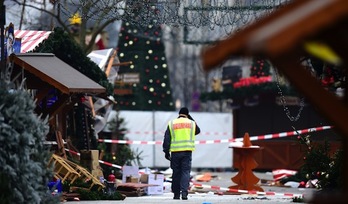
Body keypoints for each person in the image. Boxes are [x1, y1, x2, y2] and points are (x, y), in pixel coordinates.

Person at [162, 107, 201, 200]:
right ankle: (184, 193)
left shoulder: (172, 123)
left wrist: (166, 151)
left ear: (178, 114)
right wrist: (190, 117)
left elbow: (167, 138)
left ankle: (176, 194)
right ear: (187, 114)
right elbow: (198, 131)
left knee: (176, 172)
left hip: (175, 152)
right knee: (185, 172)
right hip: (187, 152)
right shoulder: (192, 123)